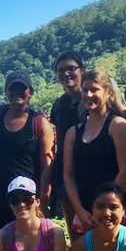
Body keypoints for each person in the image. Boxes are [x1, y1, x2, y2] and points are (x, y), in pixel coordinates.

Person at [0, 70, 54, 242]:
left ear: (30, 92)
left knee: (28, 247)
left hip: (25, 198)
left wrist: (43, 199)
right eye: (12, 89)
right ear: (6, 92)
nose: (17, 93)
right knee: (1, 247)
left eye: (22, 88)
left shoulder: (39, 123)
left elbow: (47, 165)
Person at [62, 69, 126, 236]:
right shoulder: (73, 132)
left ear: (107, 92)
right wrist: (79, 210)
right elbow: (68, 176)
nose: (88, 94)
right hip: (85, 214)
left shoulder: (118, 126)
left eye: (94, 89)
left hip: (115, 213)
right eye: (85, 89)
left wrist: (105, 209)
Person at [49, 51, 84, 221]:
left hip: (92, 170)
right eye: (61, 70)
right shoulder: (59, 105)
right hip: (66, 172)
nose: (66, 73)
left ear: (81, 70)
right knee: (75, 229)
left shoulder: (94, 98)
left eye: (71, 68)